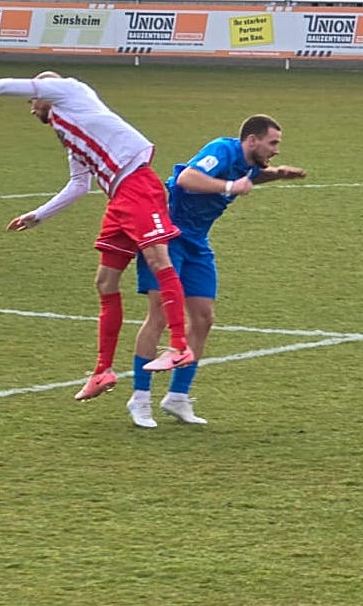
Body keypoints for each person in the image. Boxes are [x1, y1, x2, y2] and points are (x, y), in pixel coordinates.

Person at [0, 72, 195, 401]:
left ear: (46, 92)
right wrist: (39, 215)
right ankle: (102, 371)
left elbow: (8, 85)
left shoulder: (68, 90)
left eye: (33, 101)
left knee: (158, 259)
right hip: (119, 197)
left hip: (138, 185)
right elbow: (79, 185)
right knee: (105, 282)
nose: (31, 108)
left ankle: (180, 347)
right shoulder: (68, 131)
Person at [126, 116, 306, 427]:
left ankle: (178, 397)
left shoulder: (250, 162)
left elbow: (250, 175)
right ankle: (140, 398)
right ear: (252, 140)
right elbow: (188, 179)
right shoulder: (222, 149)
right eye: (273, 143)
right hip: (167, 237)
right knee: (160, 314)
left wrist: (276, 174)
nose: (276, 149)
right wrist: (229, 187)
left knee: (203, 318)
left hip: (197, 242)